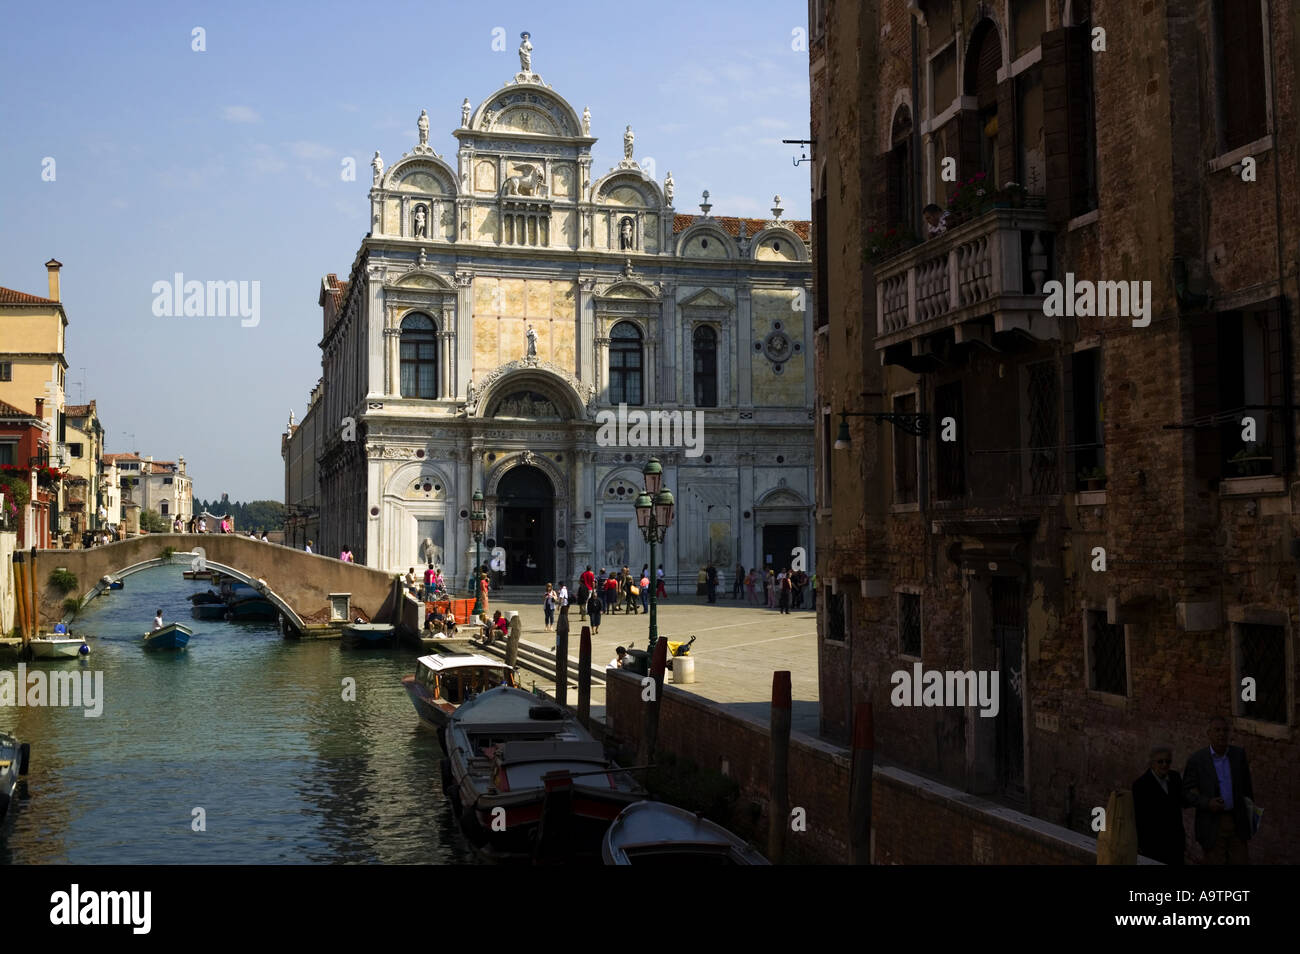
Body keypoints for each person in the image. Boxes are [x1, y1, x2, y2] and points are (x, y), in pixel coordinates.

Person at [1183, 717, 1255, 864]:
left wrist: (1250, 814)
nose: (1221, 734)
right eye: (1217, 730)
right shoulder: (1197, 760)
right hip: (1212, 823)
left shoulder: (1238, 755)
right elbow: (1186, 793)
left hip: (1236, 821)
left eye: (1225, 730)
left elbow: (1247, 788)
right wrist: (1207, 802)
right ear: (1208, 733)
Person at [1132, 745, 1186, 865]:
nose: (1164, 765)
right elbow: (1139, 818)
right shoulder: (1141, 785)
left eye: (1168, 761)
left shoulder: (1175, 777)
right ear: (1151, 763)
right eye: (1160, 761)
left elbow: (1182, 801)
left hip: (1175, 843)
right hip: (1154, 845)